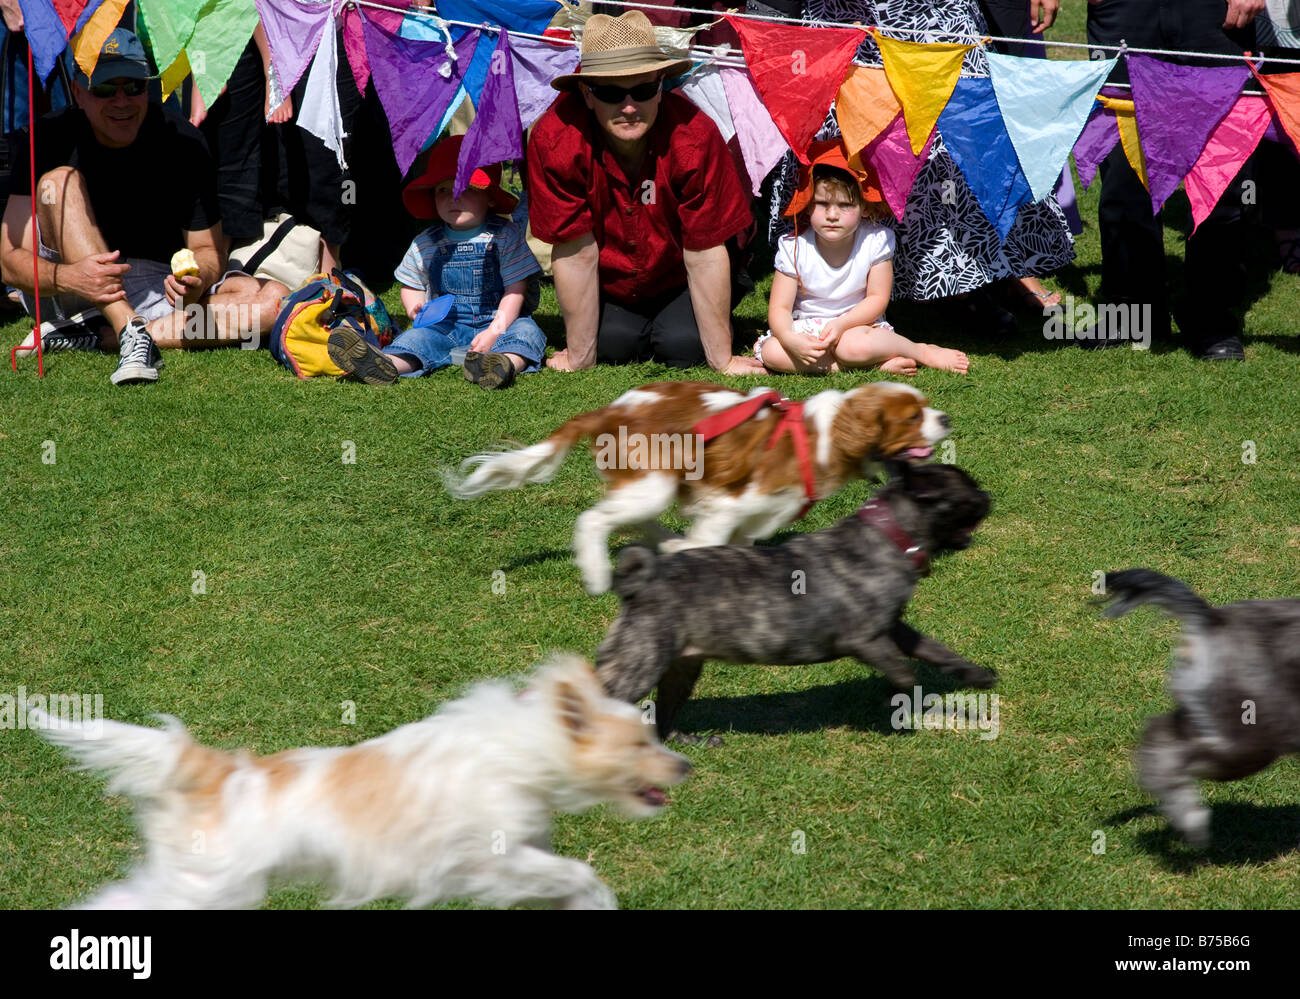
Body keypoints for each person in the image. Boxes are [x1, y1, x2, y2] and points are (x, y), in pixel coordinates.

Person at [772, 0, 1076, 334]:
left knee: (962, 136)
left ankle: (983, 277)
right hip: (847, 16)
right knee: (851, 132)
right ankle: (836, 286)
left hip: (935, 17)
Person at [527, 11, 766, 375]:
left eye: (642, 90)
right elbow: (575, 252)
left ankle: (702, 326)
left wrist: (724, 359)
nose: (628, 107)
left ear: (660, 87)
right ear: (586, 95)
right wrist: (579, 355)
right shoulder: (555, 138)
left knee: (684, 346)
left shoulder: (695, 136)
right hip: (610, 280)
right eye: (610, 93)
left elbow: (704, 252)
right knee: (613, 344)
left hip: (682, 274)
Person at [0, 28, 223, 384]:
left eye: (134, 86)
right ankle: (129, 328)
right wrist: (69, 277)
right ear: (77, 93)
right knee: (59, 182)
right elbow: (10, 260)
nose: (121, 101)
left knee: (265, 303)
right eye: (104, 88)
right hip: (66, 285)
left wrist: (197, 281)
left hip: (150, 283)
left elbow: (207, 250)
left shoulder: (183, 141)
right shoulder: (47, 136)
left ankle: (99, 334)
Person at [1085, 0, 1264, 360]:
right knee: (1124, 168)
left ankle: (1211, 316)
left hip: (1214, 11)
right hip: (1125, 13)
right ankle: (1133, 311)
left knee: (1223, 170)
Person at [332, 134, 546, 389]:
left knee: (525, 333)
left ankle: (503, 364)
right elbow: (412, 283)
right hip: (447, 325)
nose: (453, 198)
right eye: (443, 190)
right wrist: (415, 306)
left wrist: (495, 331)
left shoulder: (505, 236)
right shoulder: (426, 242)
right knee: (419, 339)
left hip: (501, 320)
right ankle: (385, 363)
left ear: (490, 196)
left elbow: (515, 289)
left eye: (465, 188)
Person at [758, 142, 968, 374]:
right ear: (808, 206)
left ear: (865, 208)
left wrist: (841, 324)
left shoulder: (875, 240)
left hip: (858, 325)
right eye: (822, 203)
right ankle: (867, 366)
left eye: (845, 205)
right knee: (772, 352)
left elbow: (877, 298)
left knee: (852, 348)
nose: (832, 214)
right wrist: (789, 339)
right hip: (808, 326)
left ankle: (921, 351)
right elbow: (780, 307)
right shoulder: (793, 247)